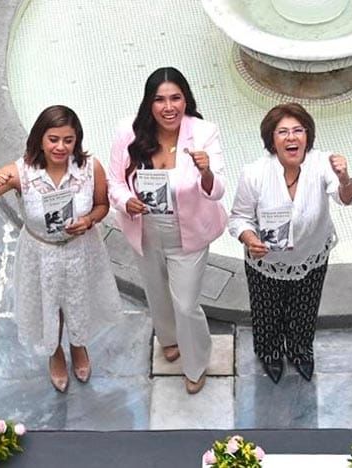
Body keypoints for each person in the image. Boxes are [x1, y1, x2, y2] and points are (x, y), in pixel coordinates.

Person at [0, 105, 119, 393]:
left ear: (76, 140)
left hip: (80, 249)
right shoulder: (20, 172)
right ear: (40, 139)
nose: (60, 147)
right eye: (53, 139)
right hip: (41, 252)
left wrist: (89, 220)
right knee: (50, 306)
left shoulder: (89, 168)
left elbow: (102, 205)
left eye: (68, 140)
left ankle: (78, 345)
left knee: (78, 301)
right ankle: (55, 352)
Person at [108, 67, 228, 394]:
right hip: (145, 229)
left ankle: (197, 361)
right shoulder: (128, 132)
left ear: (186, 100)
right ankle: (168, 338)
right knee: (156, 291)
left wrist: (205, 173)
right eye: (160, 99)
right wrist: (126, 202)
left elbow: (217, 191)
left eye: (175, 98)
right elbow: (114, 183)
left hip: (186, 234)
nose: (168, 106)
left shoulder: (204, 134)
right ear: (149, 103)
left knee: (186, 303)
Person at [229, 103, 352, 383]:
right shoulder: (254, 173)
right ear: (271, 140)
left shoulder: (322, 164)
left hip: (311, 255)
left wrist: (344, 177)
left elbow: (345, 198)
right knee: (266, 312)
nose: (291, 137)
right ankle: (270, 352)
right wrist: (250, 240)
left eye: (298, 130)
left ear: (307, 136)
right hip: (266, 261)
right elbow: (238, 218)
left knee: (305, 309)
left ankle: (300, 350)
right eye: (283, 132)